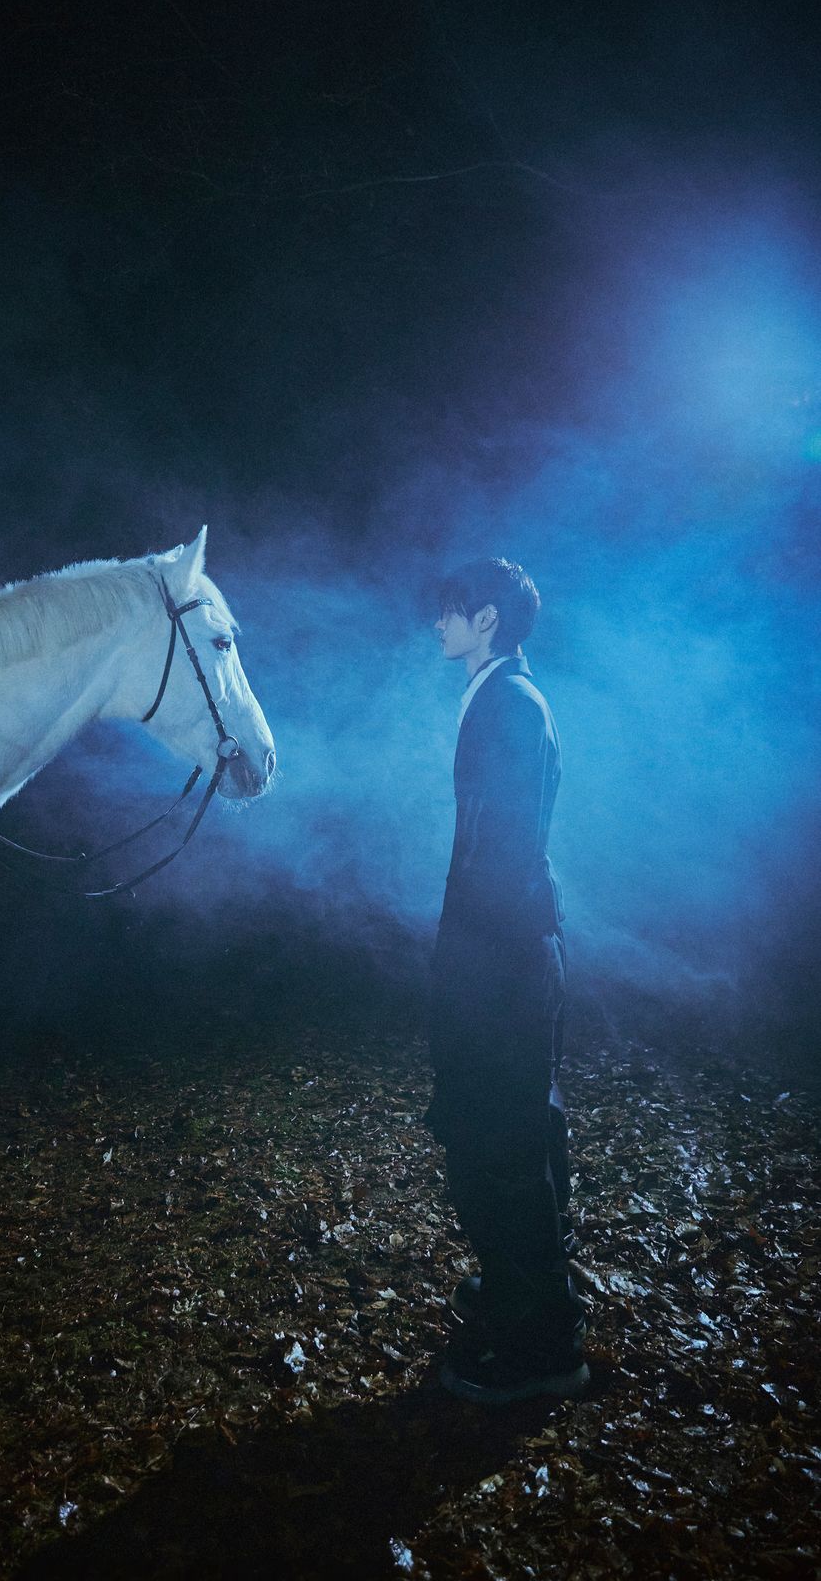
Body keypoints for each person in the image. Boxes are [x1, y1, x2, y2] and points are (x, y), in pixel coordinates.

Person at [425, 556, 588, 1404]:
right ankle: (530, 1295)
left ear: (485, 618)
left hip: (504, 959)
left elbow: (504, 854)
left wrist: (470, 970)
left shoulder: (509, 706)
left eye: (450, 610)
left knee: (502, 1143)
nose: (437, 622)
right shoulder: (498, 695)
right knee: (514, 1131)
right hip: (508, 952)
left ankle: (540, 1347)